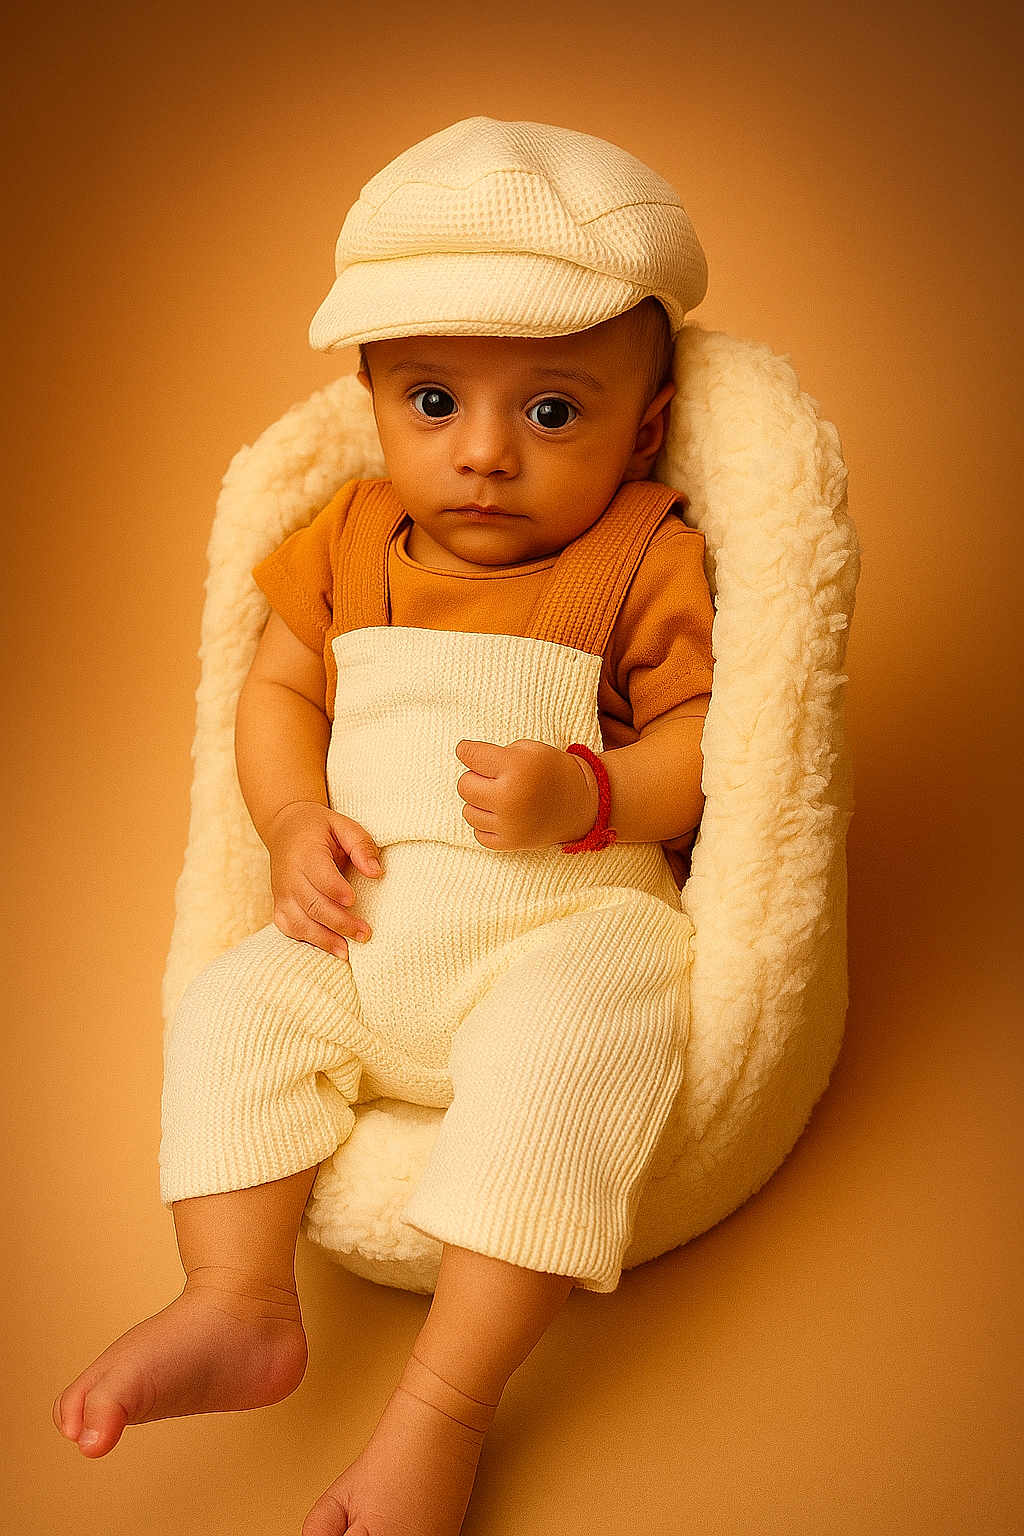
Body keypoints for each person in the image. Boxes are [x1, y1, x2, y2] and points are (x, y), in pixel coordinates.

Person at [52, 116, 716, 1536]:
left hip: (557, 929)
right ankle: (238, 1300)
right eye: (433, 402)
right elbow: (277, 688)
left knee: (577, 1049)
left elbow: (717, 751)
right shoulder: (351, 540)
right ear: (370, 398)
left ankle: (440, 1412)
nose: (483, 456)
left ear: (644, 424)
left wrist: (589, 794)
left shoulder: (642, 554)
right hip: (368, 926)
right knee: (234, 1008)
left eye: (552, 411)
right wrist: (293, 818)